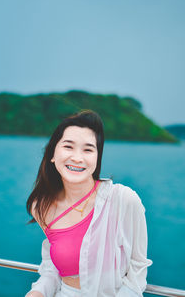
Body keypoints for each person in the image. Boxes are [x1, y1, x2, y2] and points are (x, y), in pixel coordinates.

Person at [25, 110, 152, 297]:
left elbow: (137, 273)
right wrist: (36, 293)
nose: (77, 158)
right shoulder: (42, 207)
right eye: (68, 147)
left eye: (88, 149)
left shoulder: (123, 199)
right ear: (52, 154)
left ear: (96, 158)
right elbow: (53, 269)